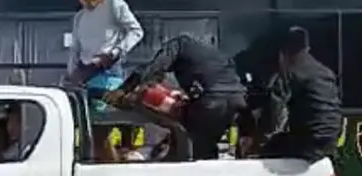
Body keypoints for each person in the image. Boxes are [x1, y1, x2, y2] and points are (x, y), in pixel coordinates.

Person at [109, 34, 247, 160]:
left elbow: (152, 68)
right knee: (209, 143)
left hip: (212, 101)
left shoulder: (177, 46)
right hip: (238, 99)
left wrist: (123, 89)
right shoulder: (210, 54)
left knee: (199, 146)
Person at [259, 27, 343, 162]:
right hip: (330, 139)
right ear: (307, 48)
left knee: (268, 148)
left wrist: (263, 135)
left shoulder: (292, 73)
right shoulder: (325, 71)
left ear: (283, 53)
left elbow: (276, 111)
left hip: (308, 142)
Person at [65, 0, 143, 106]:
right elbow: (75, 47)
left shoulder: (114, 4)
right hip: (84, 75)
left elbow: (136, 31)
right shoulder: (80, 16)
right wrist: (72, 72)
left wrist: (115, 52)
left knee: (104, 116)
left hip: (107, 73)